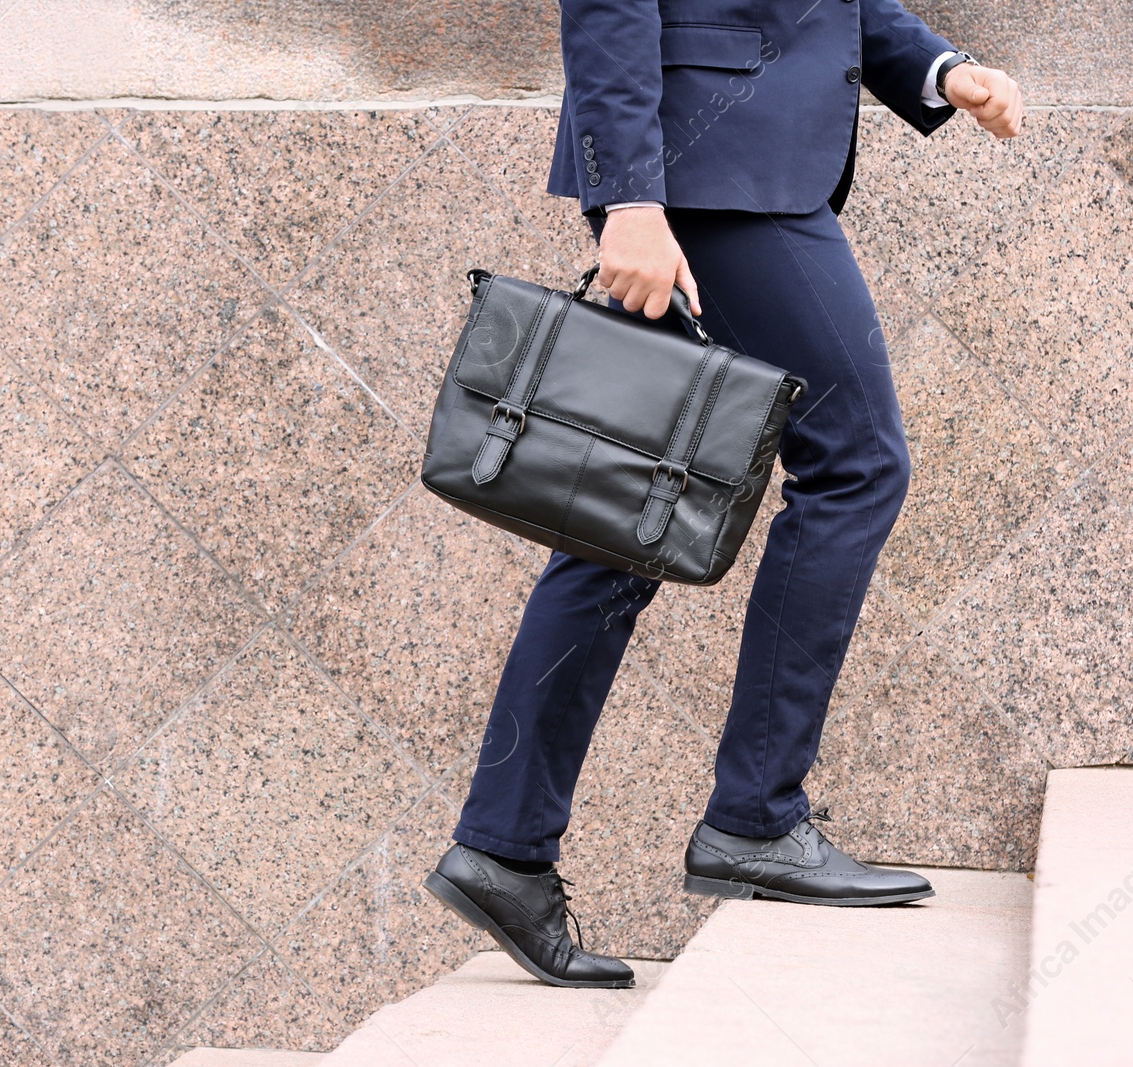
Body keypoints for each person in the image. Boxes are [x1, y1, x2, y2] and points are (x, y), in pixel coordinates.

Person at [423, 0, 1024, 989]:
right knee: (855, 463)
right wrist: (629, 198)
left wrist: (936, 66)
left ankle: (505, 848)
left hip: (730, 164)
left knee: (618, 515)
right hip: (705, 178)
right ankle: (755, 813)